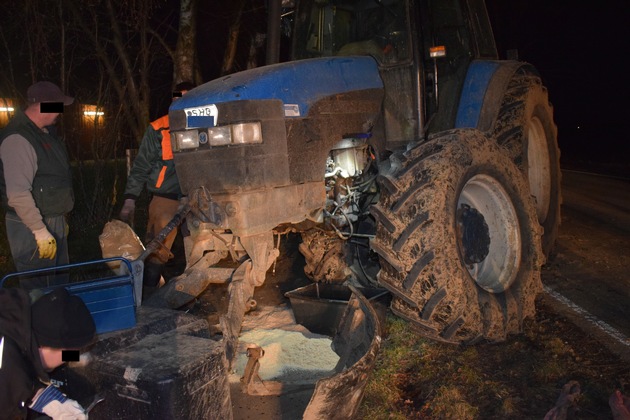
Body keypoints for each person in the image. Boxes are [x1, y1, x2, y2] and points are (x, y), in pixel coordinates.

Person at [118, 81, 195, 293]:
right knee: (157, 247)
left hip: (199, 195)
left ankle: (191, 288)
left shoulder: (206, 122)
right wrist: (130, 197)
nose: (182, 102)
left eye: (188, 97)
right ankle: (147, 292)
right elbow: (141, 165)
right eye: (178, 97)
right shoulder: (159, 128)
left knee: (199, 243)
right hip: (166, 196)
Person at [0, 81, 74, 285]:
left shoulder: (45, 134)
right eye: (58, 106)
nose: (60, 112)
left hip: (51, 219)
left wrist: (60, 217)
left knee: (58, 287)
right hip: (31, 226)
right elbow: (17, 193)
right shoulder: (18, 139)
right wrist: (39, 230)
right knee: (40, 291)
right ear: (44, 105)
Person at [0, 286, 96, 419]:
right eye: (67, 354)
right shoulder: (5, 366)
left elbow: (19, 376)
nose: (65, 360)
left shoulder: (12, 323)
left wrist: (46, 398)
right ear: (52, 345)